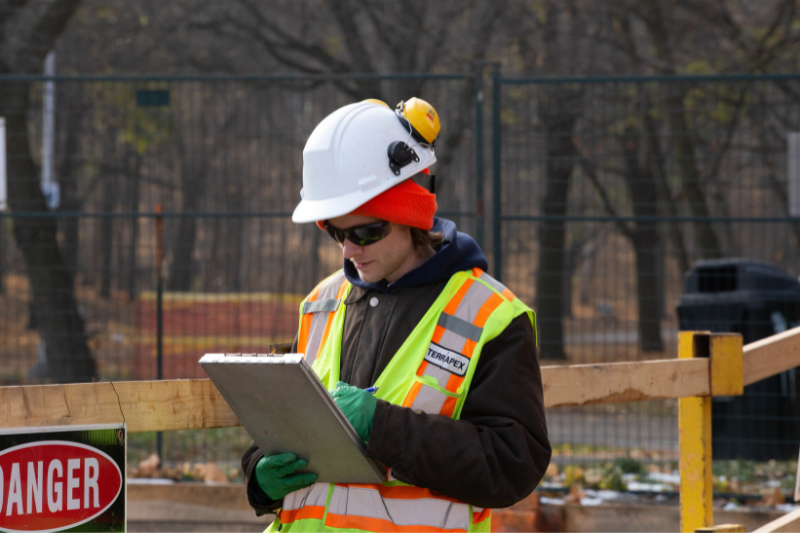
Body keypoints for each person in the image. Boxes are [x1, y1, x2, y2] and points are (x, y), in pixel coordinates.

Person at [242, 98, 550, 532]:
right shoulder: (322, 302)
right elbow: (283, 429)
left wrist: (381, 426)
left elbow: (513, 463)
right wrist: (258, 476)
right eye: (335, 232)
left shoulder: (491, 316)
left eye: (365, 231)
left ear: (411, 215)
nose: (349, 250)